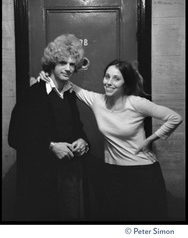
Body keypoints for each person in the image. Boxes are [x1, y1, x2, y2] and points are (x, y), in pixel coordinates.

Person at [39, 59, 183, 222]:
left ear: (125, 83)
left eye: (116, 78)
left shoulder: (136, 103)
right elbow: (67, 84)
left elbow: (174, 117)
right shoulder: (96, 100)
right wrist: (47, 77)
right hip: (112, 174)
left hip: (142, 174)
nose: (109, 82)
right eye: (107, 77)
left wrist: (149, 140)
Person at [8, 34, 89, 222]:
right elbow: (15, 137)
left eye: (72, 64)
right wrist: (51, 146)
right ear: (52, 63)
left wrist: (83, 141)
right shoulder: (33, 94)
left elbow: (77, 128)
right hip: (40, 178)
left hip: (69, 176)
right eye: (62, 62)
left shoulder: (69, 94)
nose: (68, 68)